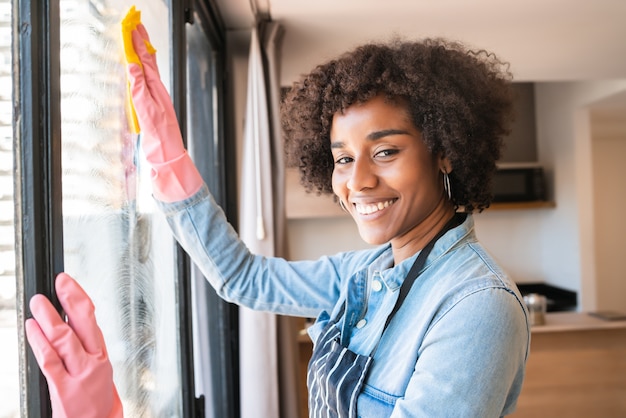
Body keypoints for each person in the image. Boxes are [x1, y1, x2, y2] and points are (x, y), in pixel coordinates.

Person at [25, 7, 530, 418]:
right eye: (343, 159)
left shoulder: (477, 307)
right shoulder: (364, 274)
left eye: (386, 152)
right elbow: (242, 278)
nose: (358, 182)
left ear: (445, 150)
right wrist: (165, 151)